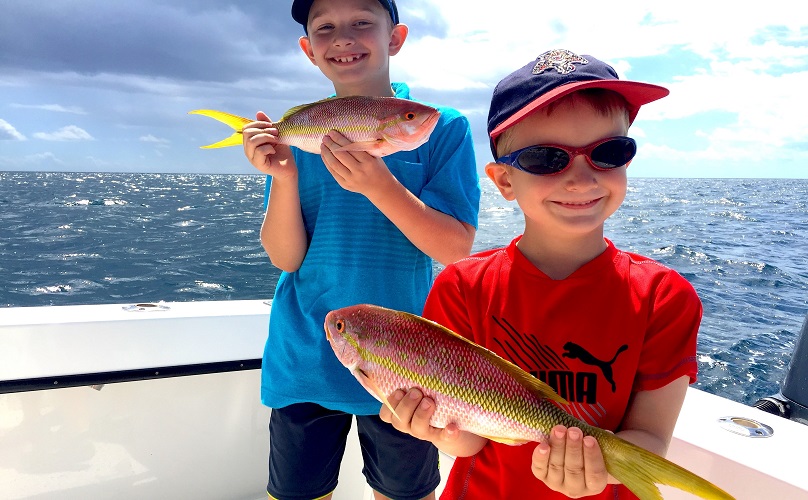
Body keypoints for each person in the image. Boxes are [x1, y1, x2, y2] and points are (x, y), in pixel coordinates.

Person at [380, 48, 702, 499]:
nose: (582, 177)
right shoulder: (462, 287)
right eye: (547, 158)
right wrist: (432, 428)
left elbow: (649, 438)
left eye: (608, 152)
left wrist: (600, 469)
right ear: (504, 181)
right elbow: (467, 437)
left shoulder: (665, 297)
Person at [242, 1, 480, 499]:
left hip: (410, 365)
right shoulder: (305, 137)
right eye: (325, 27)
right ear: (309, 50)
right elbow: (286, 259)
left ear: (396, 38)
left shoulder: (440, 126)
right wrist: (283, 176)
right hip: (305, 352)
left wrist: (380, 186)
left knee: (403, 493)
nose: (343, 38)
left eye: (362, 22)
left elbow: (455, 247)